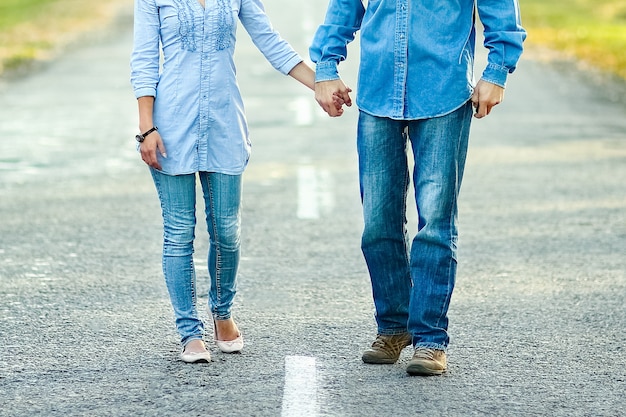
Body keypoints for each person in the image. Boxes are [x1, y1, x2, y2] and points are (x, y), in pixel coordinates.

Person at [310, 0, 526, 375]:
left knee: (436, 225)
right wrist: (326, 66)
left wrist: (497, 71)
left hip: (443, 91)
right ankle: (393, 328)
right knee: (378, 225)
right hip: (378, 93)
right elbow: (345, 5)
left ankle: (430, 339)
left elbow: (499, 7)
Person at [130, 0, 318, 363]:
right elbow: (143, 59)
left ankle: (222, 312)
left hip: (224, 125)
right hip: (171, 126)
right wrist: (146, 127)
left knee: (227, 230)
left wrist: (320, 85)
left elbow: (271, 42)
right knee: (179, 231)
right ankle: (189, 331)